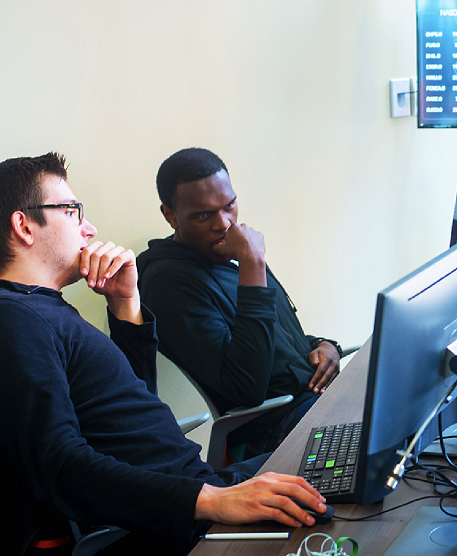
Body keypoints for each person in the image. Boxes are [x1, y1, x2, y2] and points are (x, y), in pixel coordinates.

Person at [0, 153, 326, 553]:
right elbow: (61, 469)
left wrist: (125, 304)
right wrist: (215, 501)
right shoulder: (6, 321)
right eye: (73, 212)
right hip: (188, 516)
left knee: (343, 453)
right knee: (347, 487)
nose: (89, 228)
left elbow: (122, 418)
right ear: (24, 226)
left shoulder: (33, 311)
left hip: (196, 493)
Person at [137, 148, 341, 458]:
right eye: (203, 215)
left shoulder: (226, 256)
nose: (224, 223)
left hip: (308, 399)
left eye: (229, 205)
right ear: (170, 216)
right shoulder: (169, 285)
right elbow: (248, 386)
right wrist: (252, 263)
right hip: (271, 428)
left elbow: (274, 339)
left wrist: (324, 345)